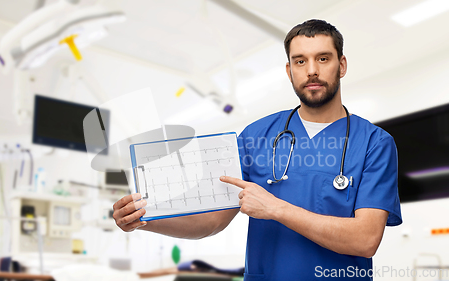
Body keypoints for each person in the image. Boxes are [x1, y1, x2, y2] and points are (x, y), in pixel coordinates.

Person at [113, 19, 402, 280]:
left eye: (322, 58)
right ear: (289, 71)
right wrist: (144, 221)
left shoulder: (374, 143)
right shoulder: (256, 136)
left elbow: (365, 240)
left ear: (341, 65)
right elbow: (212, 221)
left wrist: (276, 208)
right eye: (300, 61)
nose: (311, 70)